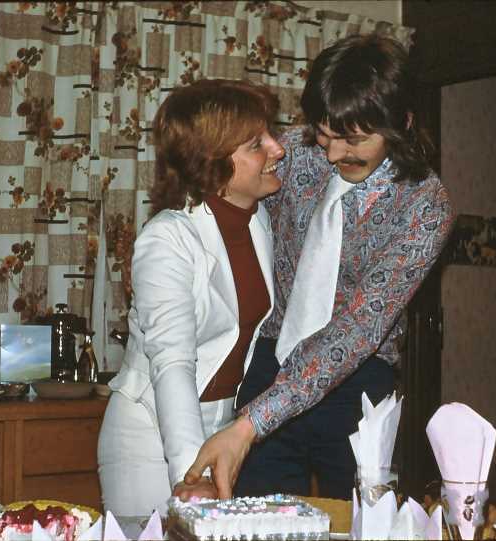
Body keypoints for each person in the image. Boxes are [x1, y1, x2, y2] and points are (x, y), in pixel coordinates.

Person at [185, 34, 455, 500]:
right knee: (255, 519)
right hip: (269, 361)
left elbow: (358, 328)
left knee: (357, 521)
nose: (332, 155)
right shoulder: (293, 151)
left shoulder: (425, 206)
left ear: (403, 122)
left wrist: (249, 425)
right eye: (326, 136)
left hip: (359, 382)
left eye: (353, 140)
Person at [97, 78, 285, 516]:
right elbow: (173, 364)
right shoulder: (167, 239)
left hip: (221, 427)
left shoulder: (257, 222)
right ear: (213, 161)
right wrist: (191, 473)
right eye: (257, 144)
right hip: (150, 439)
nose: (277, 149)